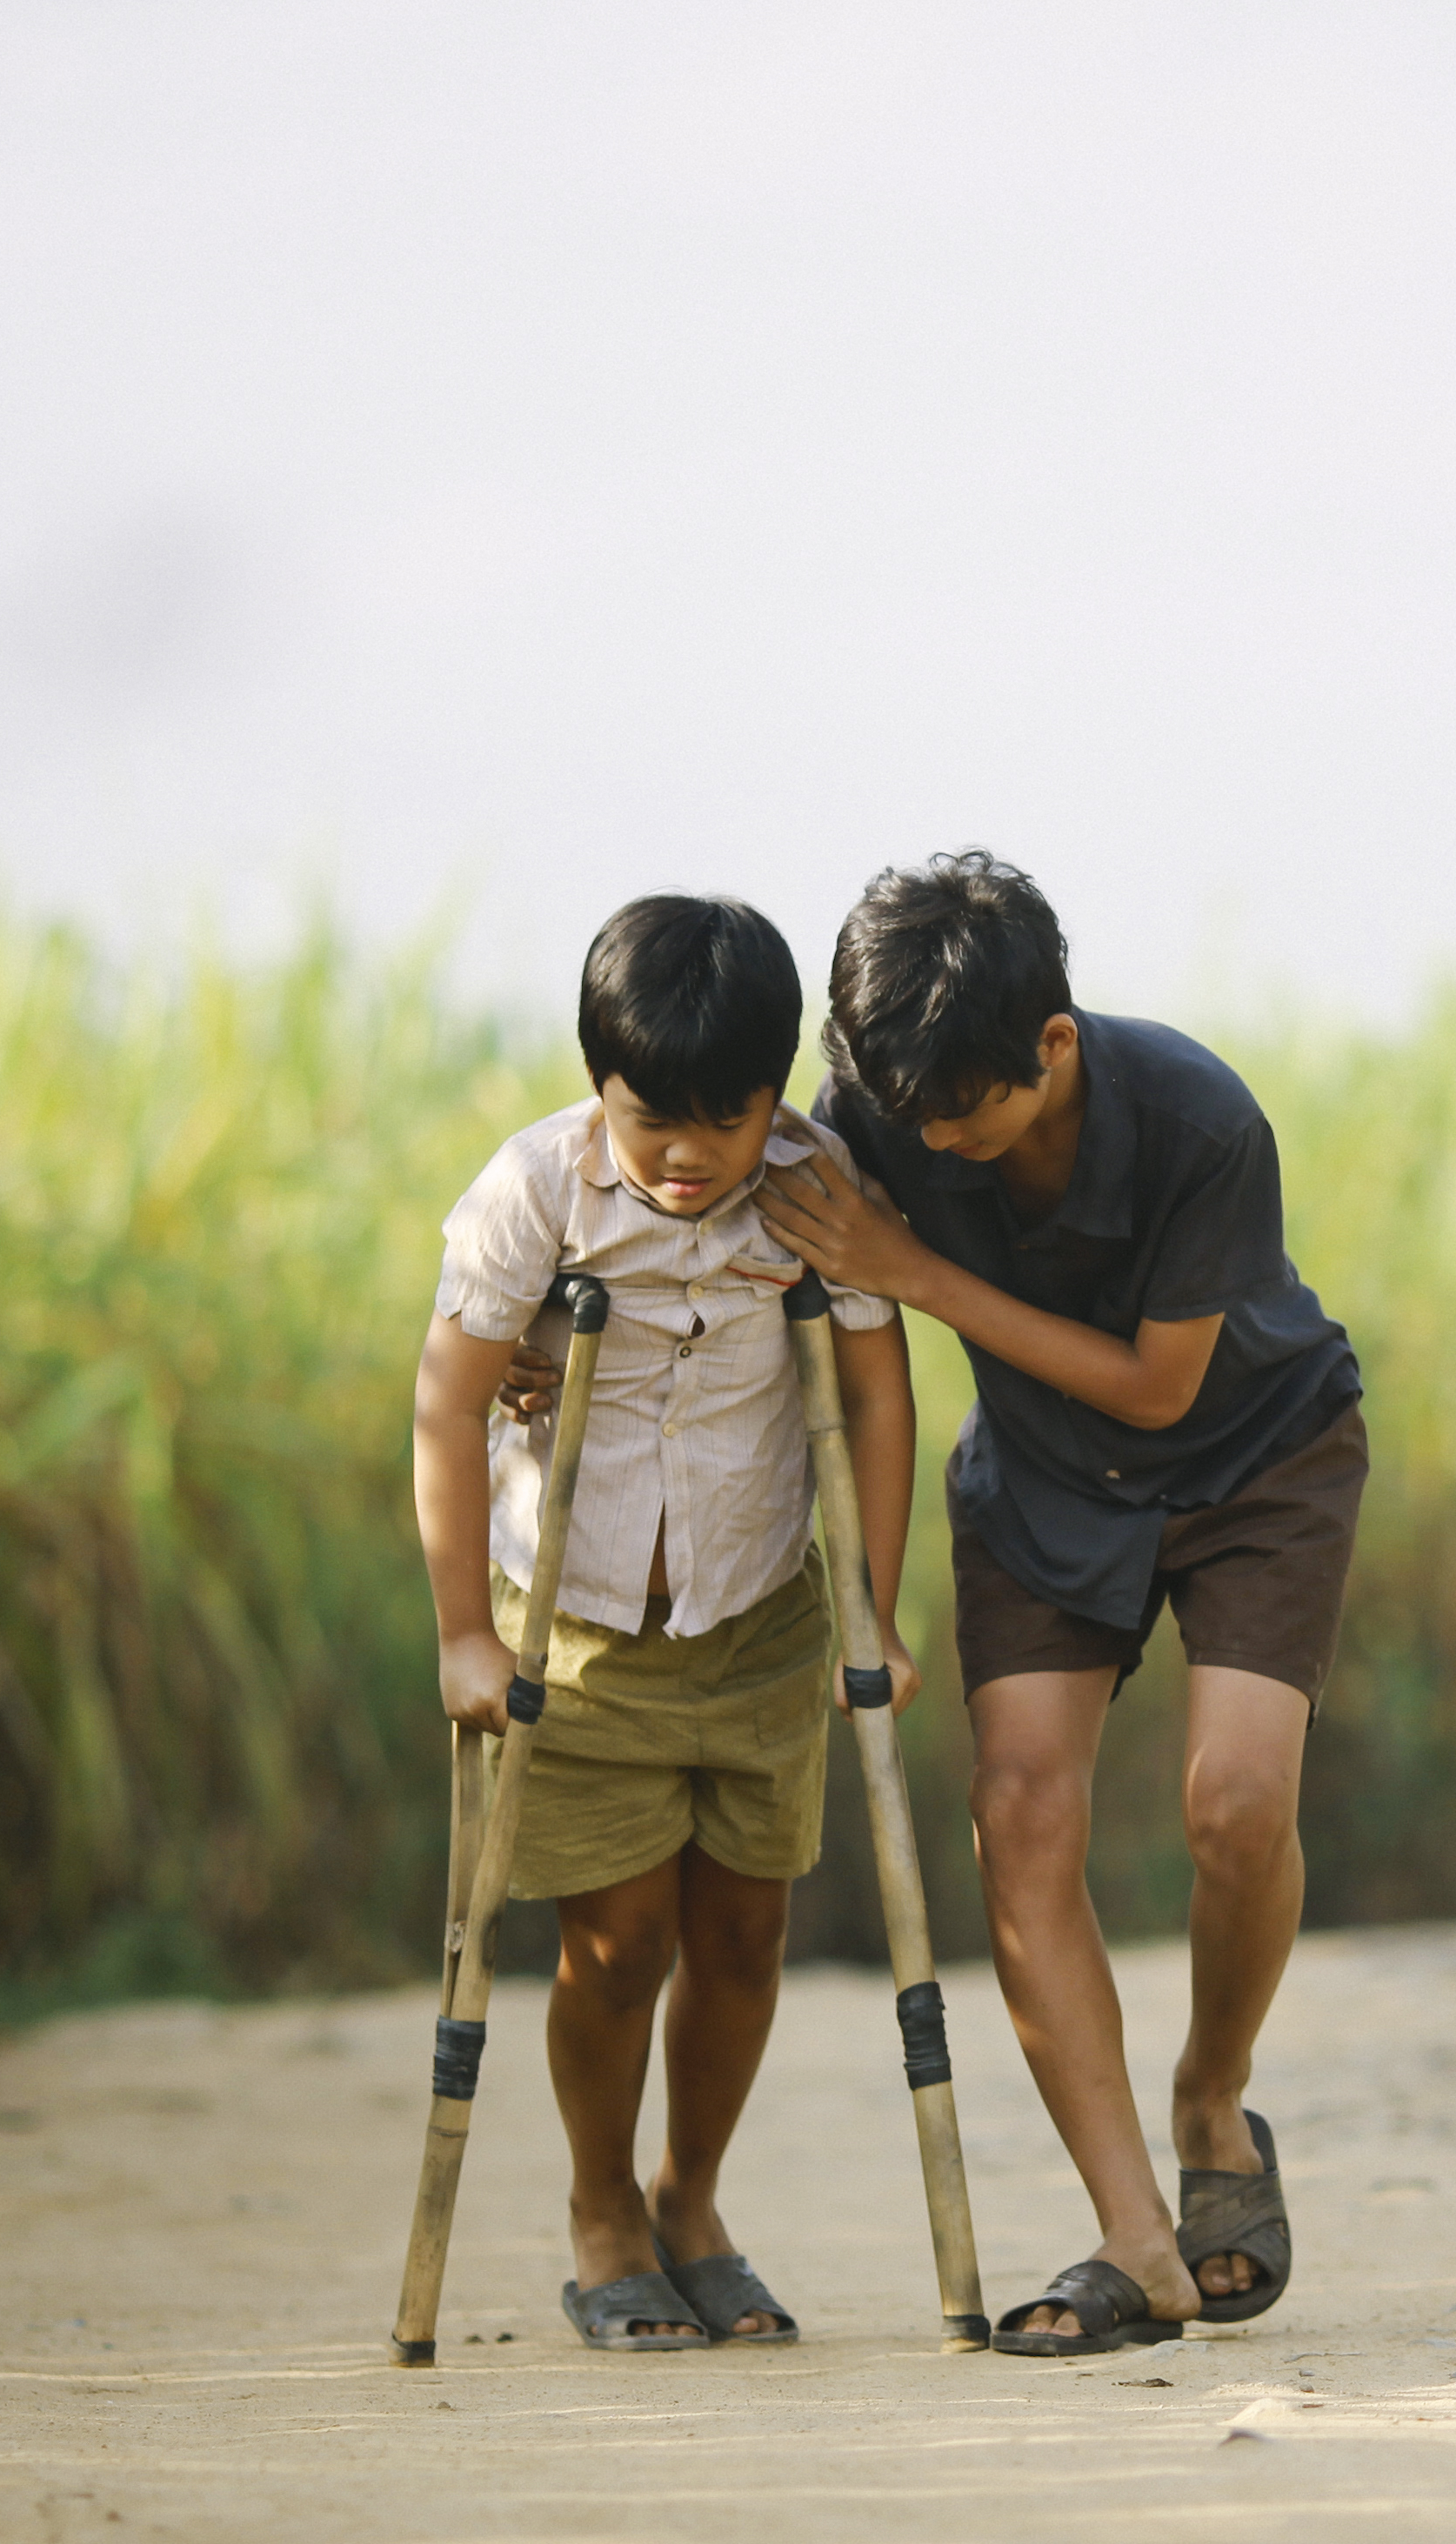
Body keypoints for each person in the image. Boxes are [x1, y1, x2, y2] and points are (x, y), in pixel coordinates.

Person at [764, 851, 1363, 2357]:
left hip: (1253, 1457)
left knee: (1234, 1804)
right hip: (1039, 1479)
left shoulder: (1200, 1117)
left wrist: (915, 1266)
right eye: (913, 1122)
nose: (941, 1145)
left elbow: (1163, 1389)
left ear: (1055, 1044)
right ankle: (1137, 2239)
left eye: (968, 1112)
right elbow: (818, 1306)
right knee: (1020, 1809)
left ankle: (1211, 2093)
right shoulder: (882, 1118)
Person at [410, 893, 918, 2351]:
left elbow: (876, 1397)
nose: (688, 1158)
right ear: (597, 1087)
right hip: (576, 1625)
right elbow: (450, 1399)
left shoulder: (815, 1189)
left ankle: (692, 2197)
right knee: (618, 1941)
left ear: (777, 1095)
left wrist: (869, 1611)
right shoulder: (537, 1193)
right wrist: (461, 1631)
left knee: (745, 1933)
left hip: (758, 1611)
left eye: (728, 1118)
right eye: (651, 1123)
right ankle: (600, 2209)